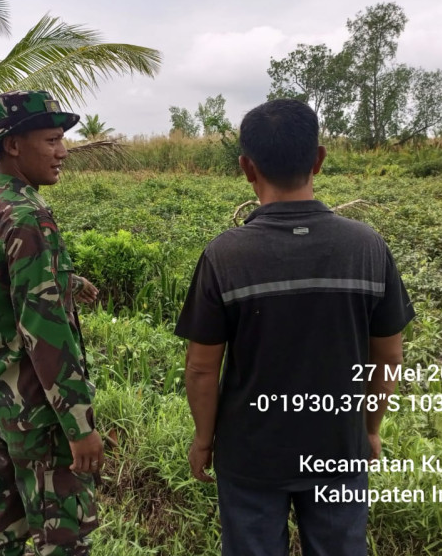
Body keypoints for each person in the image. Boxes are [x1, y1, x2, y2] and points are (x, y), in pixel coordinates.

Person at [175, 99, 415, 556]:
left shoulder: (225, 255)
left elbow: (202, 368)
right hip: (338, 448)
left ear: (247, 167)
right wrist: (369, 429)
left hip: (250, 455)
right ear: (319, 159)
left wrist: (205, 440)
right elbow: (389, 355)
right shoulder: (367, 247)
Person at [0, 90, 104, 556]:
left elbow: (1, 284)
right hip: (38, 414)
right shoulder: (28, 217)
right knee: (60, 539)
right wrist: (80, 424)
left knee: (1, 533)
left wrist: (68, 278)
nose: (64, 152)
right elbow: (46, 333)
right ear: (14, 146)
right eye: (52, 140)